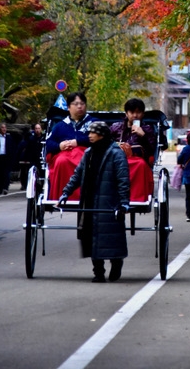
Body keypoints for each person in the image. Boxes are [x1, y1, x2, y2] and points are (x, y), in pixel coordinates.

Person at [58, 121, 130, 283]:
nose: (89, 135)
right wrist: (65, 193)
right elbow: (77, 175)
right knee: (91, 237)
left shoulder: (116, 153)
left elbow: (123, 180)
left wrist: (124, 202)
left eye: (93, 133)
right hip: (89, 200)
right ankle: (98, 272)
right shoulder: (89, 152)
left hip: (109, 201)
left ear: (102, 135)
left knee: (111, 237)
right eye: (89, 132)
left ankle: (116, 264)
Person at [46, 92, 96, 201]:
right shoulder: (60, 126)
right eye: (76, 104)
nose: (79, 106)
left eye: (82, 103)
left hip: (87, 154)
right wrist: (60, 145)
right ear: (68, 107)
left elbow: (101, 138)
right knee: (61, 161)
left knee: (86, 162)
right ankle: (62, 196)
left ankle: (86, 196)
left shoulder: (94, 123)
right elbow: (49, 144)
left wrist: (78, 142)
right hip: (64, 154)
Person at [110, 98, 157, 166]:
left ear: (143, 114)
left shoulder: (147, 129)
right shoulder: (116, 127)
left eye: (138, 112)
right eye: (132, 112)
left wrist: (143, 136)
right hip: (117, 160)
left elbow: (151, 152)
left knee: (140, 164)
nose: (135, 115)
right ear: (126, 113)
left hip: (138, 162)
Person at [0, 122, 16, 195]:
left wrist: (11, 157)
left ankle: (5, 187)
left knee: (6, 173)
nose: (4, 129)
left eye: (5, 127)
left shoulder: (9, 138)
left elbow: (12, 148)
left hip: (6, 157)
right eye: (2, 127)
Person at [19, 123, 44, 190]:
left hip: (41, 159)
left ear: (41, 129)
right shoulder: (31, 139)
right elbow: (27, 149)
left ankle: (41, 186)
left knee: (42, 174)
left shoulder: (44, 138)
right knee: (31, 173)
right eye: (36, 128)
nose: (37, 130)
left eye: (39, 128)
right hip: (33, 160)